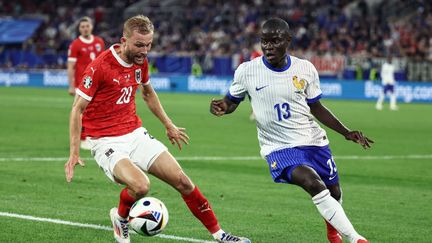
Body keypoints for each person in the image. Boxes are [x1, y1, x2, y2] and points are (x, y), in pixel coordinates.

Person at [64, 15, 250, 243]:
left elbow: (148, 93)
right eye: (139, 45)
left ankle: (220, 235)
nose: (145, 50)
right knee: (141, 186)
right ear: (124, 40)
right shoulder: (100, 67)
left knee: (183, 182)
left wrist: (168, 125)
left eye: (148, 44)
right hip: (107, 141)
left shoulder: (140, 61)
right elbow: (77, 109)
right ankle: (122, 218)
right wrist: (74, 152)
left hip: (135, 134)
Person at [210, 18, 373, 243]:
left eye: (275, 41)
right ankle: (356, 239)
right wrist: (222, 106)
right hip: (277, 146)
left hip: (313, 141)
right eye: (264, 42)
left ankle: (333, 232)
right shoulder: (247, 71)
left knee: (334, 193)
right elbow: (231, 101)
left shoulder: (305, 69)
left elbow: (316, 106)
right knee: (312, 182)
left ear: (288, 40)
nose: (268, 47)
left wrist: (345, 131)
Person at [67, 16, 105, 150]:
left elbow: (104, 62)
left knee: (96, 110)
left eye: (87, 26)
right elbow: (71, 66)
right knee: (81, 110)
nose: (85, 29)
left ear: (91, 27)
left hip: (98, 83)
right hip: (82, 84)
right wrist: (71, 85)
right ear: (79, 29)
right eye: (82, 27)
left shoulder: (99, 42)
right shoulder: (75, 44)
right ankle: (82, 138)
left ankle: (92, 135)